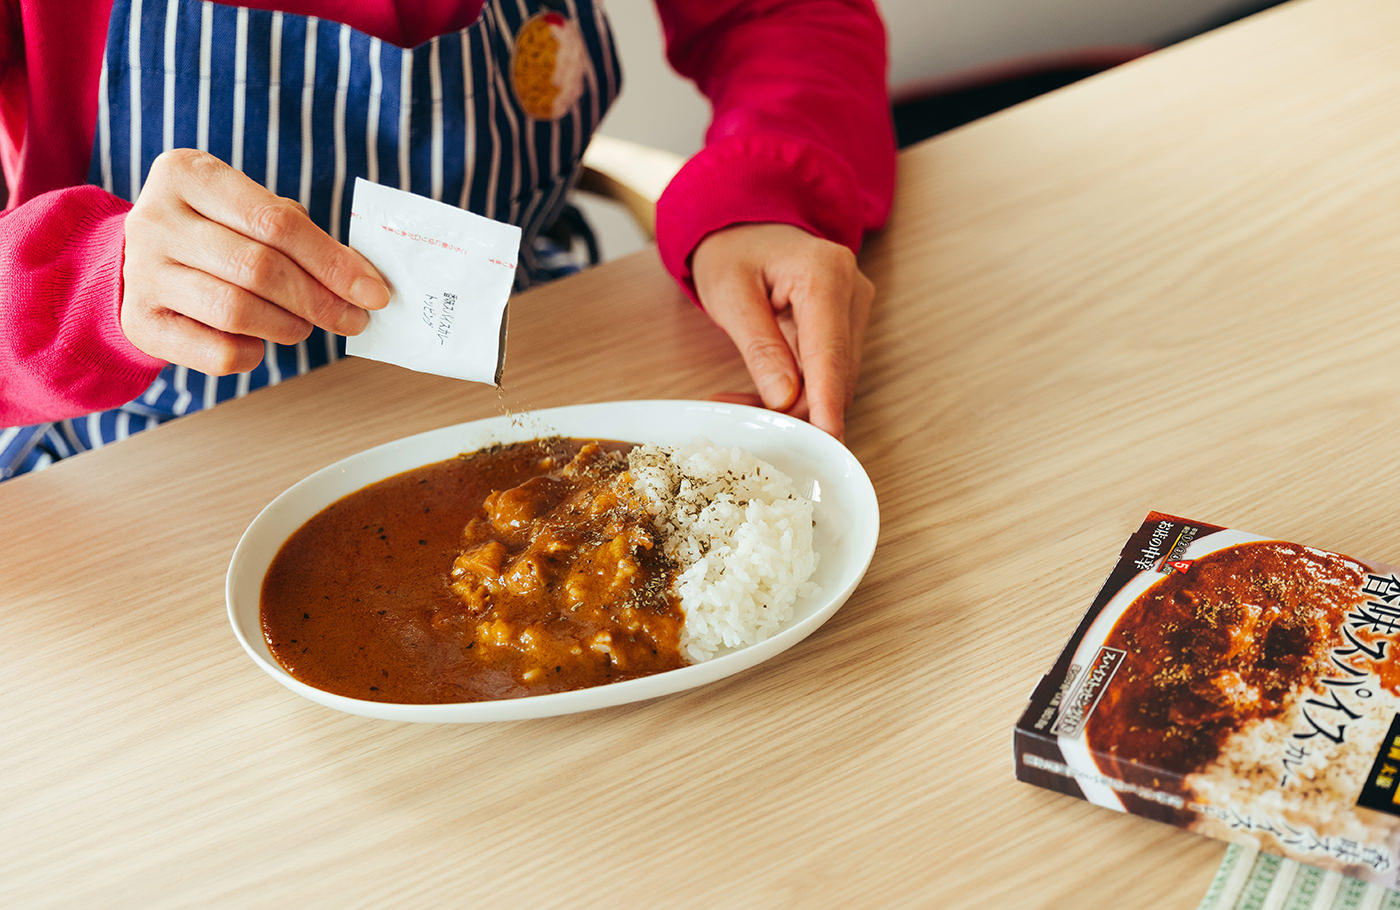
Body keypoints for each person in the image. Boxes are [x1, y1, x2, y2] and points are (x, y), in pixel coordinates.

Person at [0, 0, 895, 480]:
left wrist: (763, 194)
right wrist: (83, 285)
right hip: (162, 463)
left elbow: (777, 15)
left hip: (536, 369)